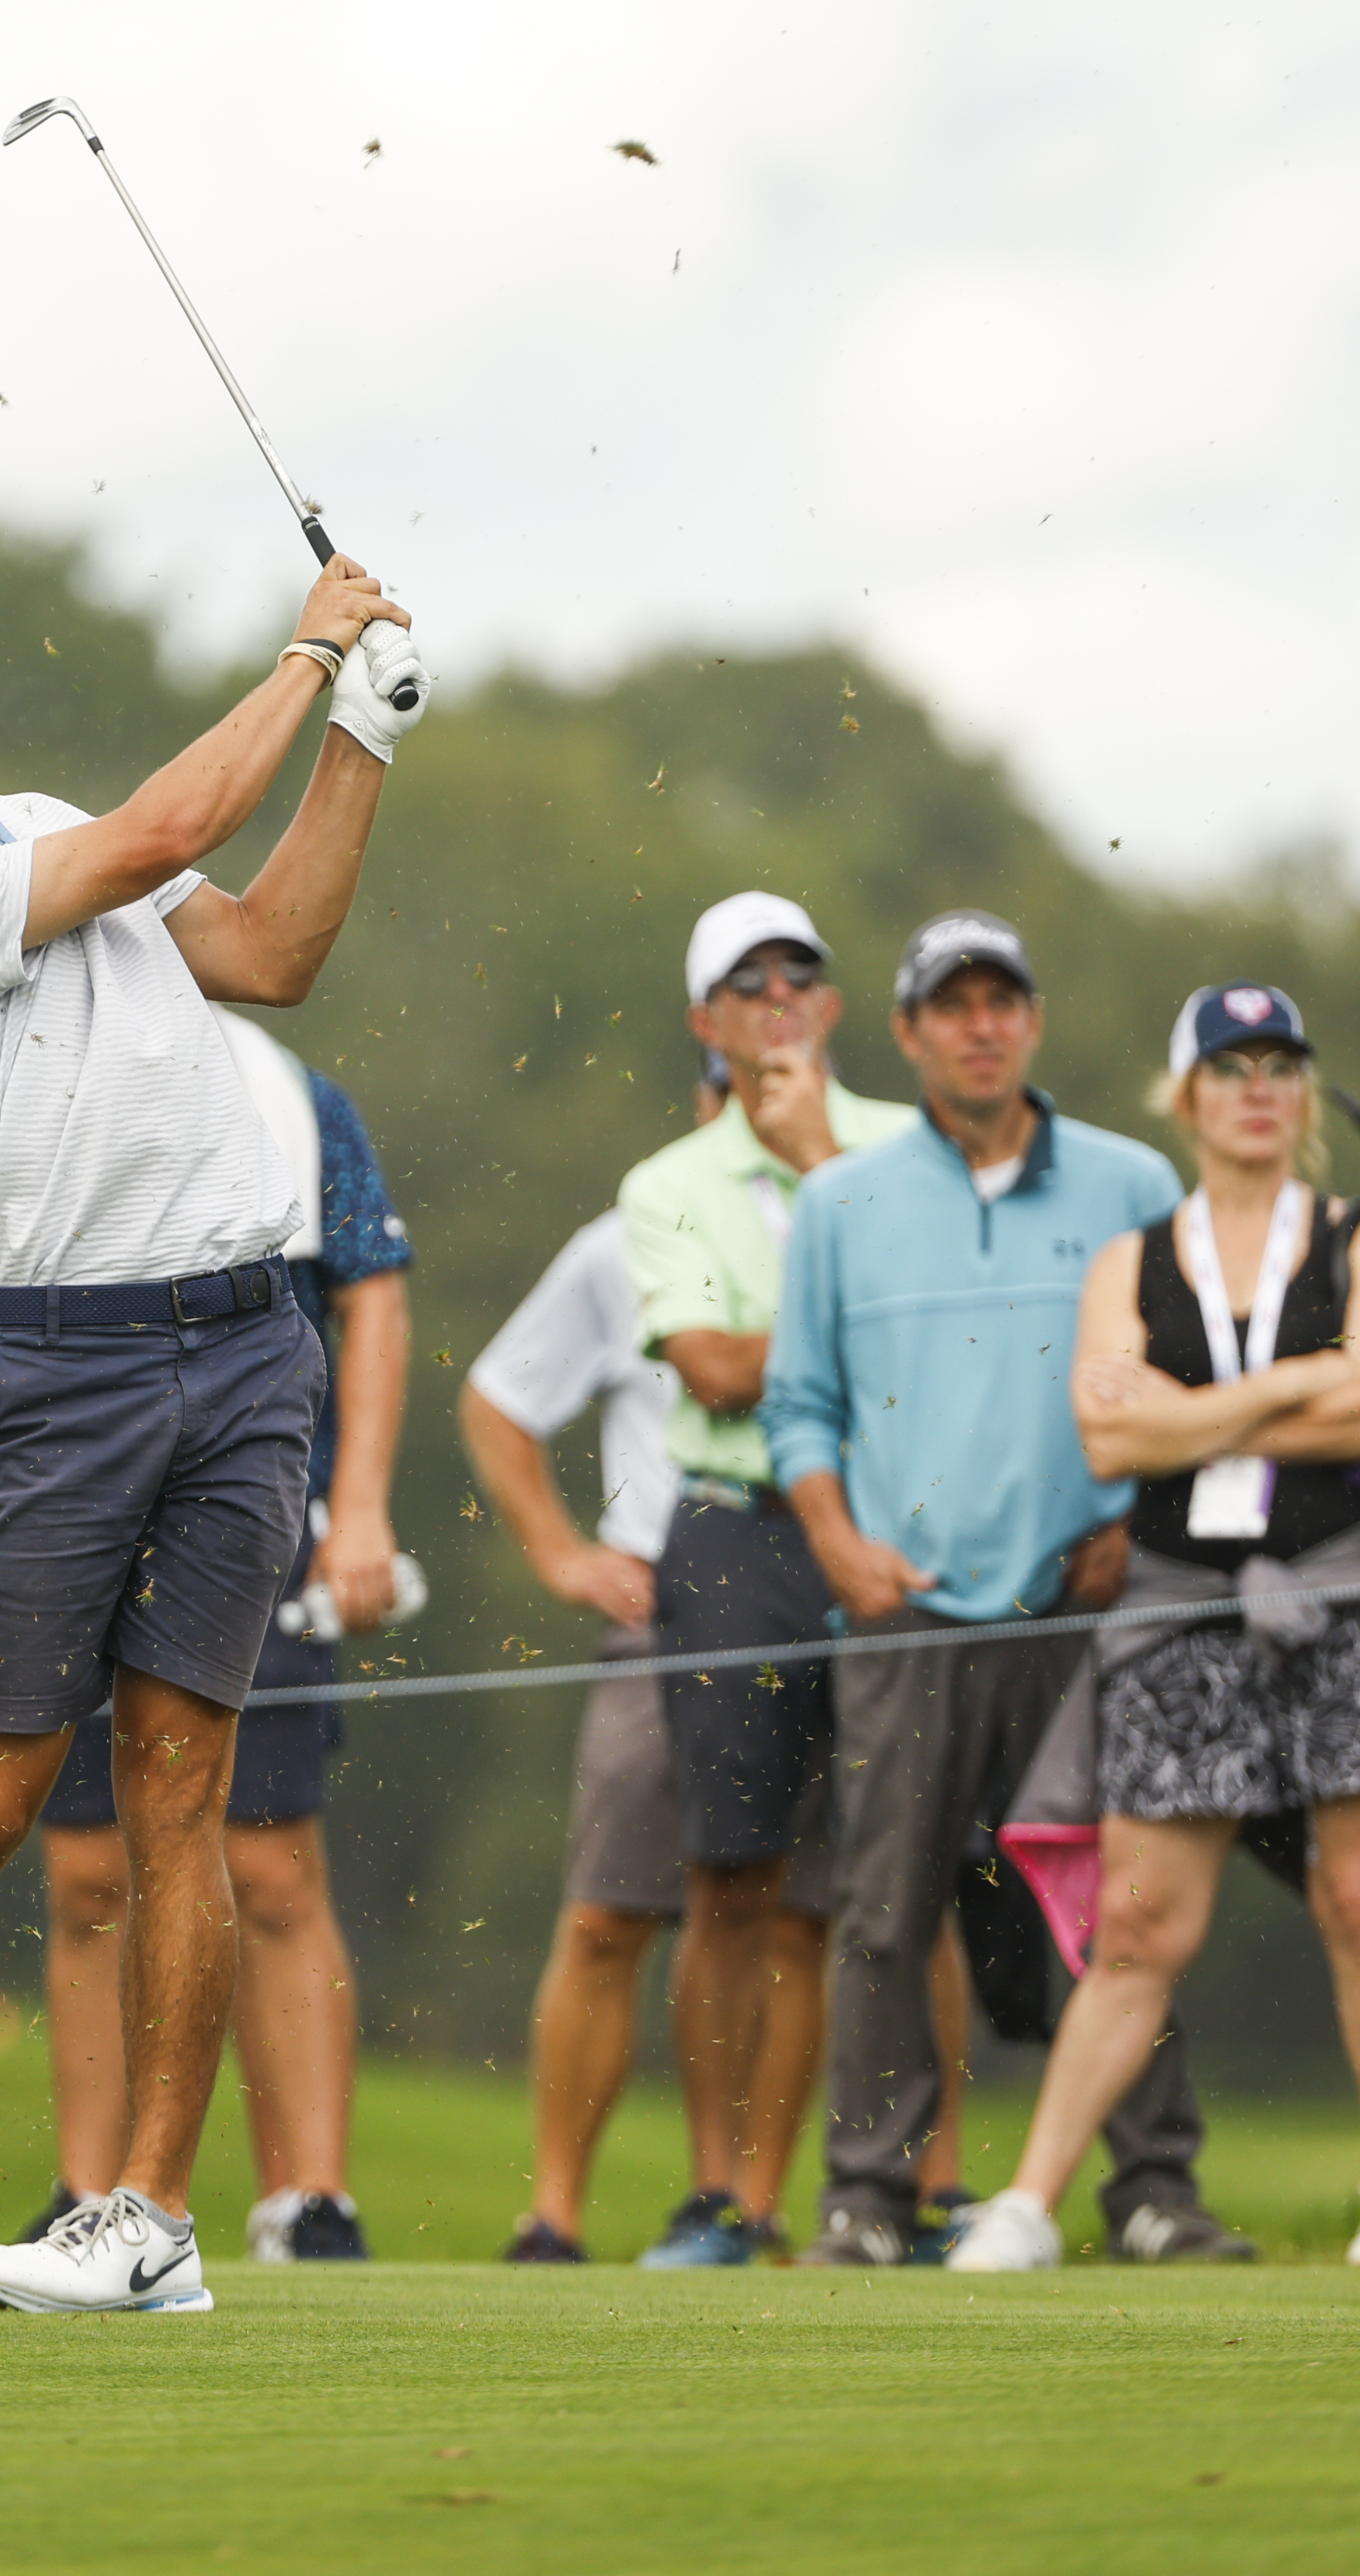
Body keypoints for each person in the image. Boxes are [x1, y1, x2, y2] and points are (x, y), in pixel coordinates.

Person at [0, 562, 420, 2314]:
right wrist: (312, 643)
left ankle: (151, 2220)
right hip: (62, 1372)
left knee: (187, 1784)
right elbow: (170, 823)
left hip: (251, 1341)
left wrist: (361, 744)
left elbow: (271, 950)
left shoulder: (24, 821)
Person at [953, 982, 1360, 2273]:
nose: (1259, 1088)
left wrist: (1198, 1406)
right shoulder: (1131, 1264)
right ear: (1187, 1096)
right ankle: (1028, 2204)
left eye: (1282, 1067)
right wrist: (1311, 1381)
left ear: (1300, 1096)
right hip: (1179, 1604)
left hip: (1343, 1592)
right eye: (1231, 1067)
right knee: (1141, 1926)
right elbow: (1107, 1434)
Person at [769, 913, 1243, 2268]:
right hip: (907, 1602)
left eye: (1003, 1002)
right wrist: (839, 1543)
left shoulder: (1132, 1184)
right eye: (952, 1006)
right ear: (909, 1034)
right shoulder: (840, 1204)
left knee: (1126, 1903)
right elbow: (800, 1408)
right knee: (884, 1911)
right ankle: (869, 2196)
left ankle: (1153, 2188)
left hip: (1091, 1603)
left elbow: (1194, 1384)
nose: (982, 1025)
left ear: (1033, 1022)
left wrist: (1133, 1523)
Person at [27, 1012, 408, 2263]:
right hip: (83, 1503)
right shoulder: (42, 1069)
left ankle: (311, 2198)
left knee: (273, 1862)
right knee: (88, 1871)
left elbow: (375, 1295)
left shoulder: (296, 1092)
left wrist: (356, 1507)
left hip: (258, 1511)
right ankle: (93, 2191)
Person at [458, 1054, 847, 2263]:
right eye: (722, 1077)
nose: (746, 1103)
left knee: (794, 1919)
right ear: (695, 1093)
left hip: (825, 1589)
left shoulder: (858, 1222)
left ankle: (745, 2207)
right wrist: (563, 1554)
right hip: (659, 1604)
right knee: (610, 1915)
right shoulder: (632, 1231)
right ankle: (556, 2217)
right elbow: (499, 1399)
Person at [611, 891, 915, 2267]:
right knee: (735, 1877)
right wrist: (872, 1320)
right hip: (737, 1532)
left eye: (802, 973)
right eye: (749, 981)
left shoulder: (914, 1147)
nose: (780, 996)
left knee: (891, 1874)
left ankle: (872, 2190)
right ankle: (723, 2194)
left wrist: (822, 1174)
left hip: (896, 1515)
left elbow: (946, 1354)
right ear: (707, 1020)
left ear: (834, 1005)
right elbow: (716, 1366)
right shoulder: (667, 1184)